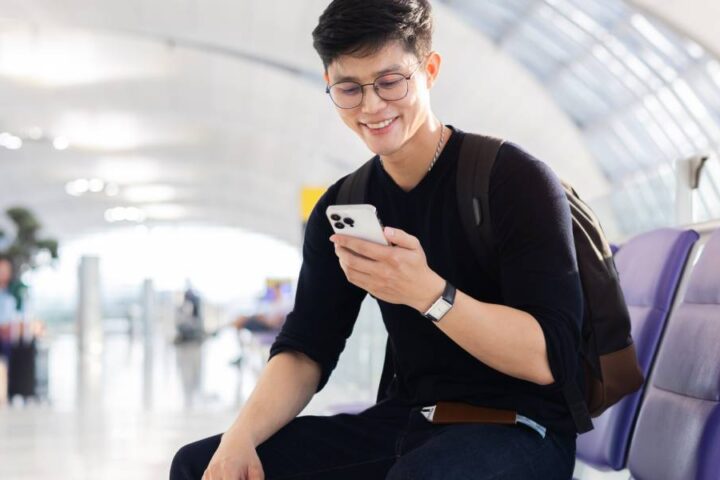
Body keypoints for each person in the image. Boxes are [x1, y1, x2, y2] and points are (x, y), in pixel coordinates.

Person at [171, 1, 582, 478]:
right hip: (405, 424)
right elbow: (306, 348)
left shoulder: (512, 180)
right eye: (349, 88)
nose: (371, 106)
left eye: (390, 82)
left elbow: (550, 359)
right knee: (200, 465)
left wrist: (430, 294)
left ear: (429, 70)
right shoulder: (343, 203)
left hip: (522, 428)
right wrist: (239, 436)